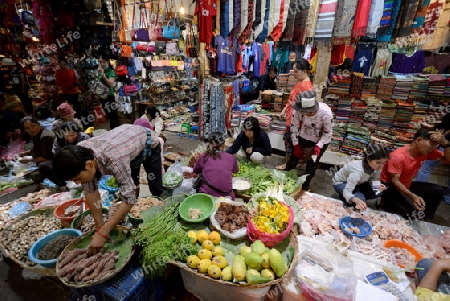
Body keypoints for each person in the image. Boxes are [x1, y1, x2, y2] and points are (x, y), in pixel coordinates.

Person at [52, 124, 157, 253]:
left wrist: (104, 231)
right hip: (124, 142)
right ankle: (133, 198)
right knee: (132, 183)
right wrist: (99, 226)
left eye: (77, 179)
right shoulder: (79, 154)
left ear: (90, 165)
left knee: (155, 186)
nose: (78, 183)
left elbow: (129, 198)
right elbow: (90, 191)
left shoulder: (114, 159)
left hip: (146, 140)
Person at [380, 128, 450, 221]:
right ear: (419, 140)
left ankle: (426, 221)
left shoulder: (426, 152)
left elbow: (448, 160)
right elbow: (395, 181)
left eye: (437, 145)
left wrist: (446, 143)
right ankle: (384, 203)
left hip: (406, 185)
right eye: (432, 144)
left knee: (438, 191)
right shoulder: (398, 156)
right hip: (389, 187)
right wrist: (413, 196)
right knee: (412, 213)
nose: (434, 148)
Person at [285, 89, 333, 191]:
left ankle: (305, 185)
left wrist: (318, 146)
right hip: (304, 135)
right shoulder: (297, 110)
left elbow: (327, 133)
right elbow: (294, 127)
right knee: (293, 159)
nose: (306, 114)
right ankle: (285, 179)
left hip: (320, 139)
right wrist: (296, 144)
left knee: (311, 164)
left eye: (309, 112)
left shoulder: (326, 113)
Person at [276, 59, 313, 170]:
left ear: (304, 71)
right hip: (290, 117)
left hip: (296, 121)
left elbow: (308, 109)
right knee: (289, 142)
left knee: (292, 144)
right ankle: (290, 164)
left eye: (296, 71)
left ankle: (288, 166)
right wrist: (284, 110)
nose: (294, 74)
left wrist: (294, 107)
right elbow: (291, 99)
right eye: (294, 71)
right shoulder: (300, 81)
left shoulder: (306, 86)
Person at [332, 145, 389, 210]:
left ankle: (354, 196)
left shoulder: (375, 167)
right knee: (360, 199)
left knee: (379, 192)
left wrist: (377, 187)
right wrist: (355, 199)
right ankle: (348, 198)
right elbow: (347, 191)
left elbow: (374, 179)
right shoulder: (357, 171)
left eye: (383, 163)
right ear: (368, 159)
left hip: (358, 183)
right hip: (341, 183)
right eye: (378, 162)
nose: (381, 166)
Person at [415, 113, 450, 204]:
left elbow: (448, 160)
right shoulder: (446, 125)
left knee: (425, 167)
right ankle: (448, 198)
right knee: (425, 166)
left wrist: (445, 143)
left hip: (447, 147)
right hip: (445, 147)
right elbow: (442, 128)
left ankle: (418, 190)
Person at [193, 132, 239, 199]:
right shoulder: (231, 158)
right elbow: (236, 171)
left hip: (206, 197)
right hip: (227, 197)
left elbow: (195, 171)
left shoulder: (204, 156)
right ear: (223, 145)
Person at [18, 116, 55, 183]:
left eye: (33, 126)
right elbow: (37, 148)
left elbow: (46, 158)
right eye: (27, 128)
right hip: (44, 162)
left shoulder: (46, 136)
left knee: (33, 176)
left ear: (38, 124)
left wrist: (29, 159)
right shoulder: (36, 135)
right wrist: (27, 153)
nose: (31, 129)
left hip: (53, 163)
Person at [133, 119, 164, 197]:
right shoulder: (133, 144)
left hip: (151, 151)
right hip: (136, 152)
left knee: (153, 176)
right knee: (134, 180)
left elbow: (155, 169)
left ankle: (158, 197)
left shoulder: (154, 141)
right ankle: (133, 201)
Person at [141, 106, 166, 173]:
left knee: (159, 142)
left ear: (150, 113)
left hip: (154, 136)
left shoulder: (158, 120)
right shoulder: (144, 117)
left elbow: (157, 133)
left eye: (147, 112)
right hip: (144, 134)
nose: (145, 113)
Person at [98, 55, 119, 129]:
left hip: (109, 97)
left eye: (104, 62)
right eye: (100, 62)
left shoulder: (111, 71)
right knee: (109, 115)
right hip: (102, 97)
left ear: (107, 62)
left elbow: (111, 83)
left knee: (113, 116)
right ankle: (113, 130)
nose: (102, 64)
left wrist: (103, 75)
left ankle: (116, 130)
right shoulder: (100, 71)